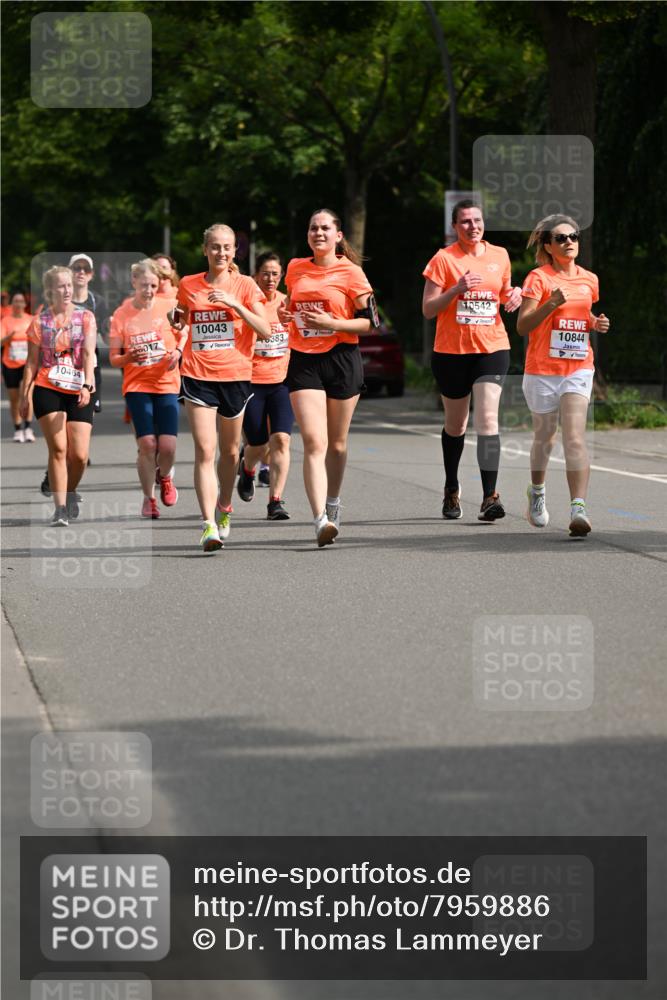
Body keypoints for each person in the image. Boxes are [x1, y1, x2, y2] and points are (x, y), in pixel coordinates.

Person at [279, 208, 377, 546]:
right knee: (314, 442)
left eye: (325, 228)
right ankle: (320, 518)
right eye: (312, 228)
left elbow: (370, 322)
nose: (318, 233)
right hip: (304, 360)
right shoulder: (295, 268)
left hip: (341, 359)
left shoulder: (352, 273)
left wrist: (333, 324)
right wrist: (284, 312)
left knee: (336, 444)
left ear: (338, 236)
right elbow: (291, 305)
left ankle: (333, 503)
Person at [422, 200, 522, 521]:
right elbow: (428, 308)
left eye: (477, 220)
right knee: (457, 425)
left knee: (488, 421)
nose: (473, 226)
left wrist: (515, 295)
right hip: (451, 353)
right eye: (465, 221)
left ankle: (489, 497)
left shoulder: (500, 255)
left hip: (492, 347)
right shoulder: (443, 259)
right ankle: (452, 488)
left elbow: (504, 293)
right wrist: (456, 289)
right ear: (455, 227)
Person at [176, 223, 271, 551]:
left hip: (235, 377)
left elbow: (266, 330)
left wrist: (235, 305)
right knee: (205, 450)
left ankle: (225, 506)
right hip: (197, 375)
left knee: (230, 452)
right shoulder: (188, 284)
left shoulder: (245, 285)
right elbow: (182, 312)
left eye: (226, 247)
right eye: (215, 247)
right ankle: (207, 525)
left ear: (235, 251)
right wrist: (177, 319)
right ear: (205, 250)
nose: (221, 252)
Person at [517, 215, 610, 537]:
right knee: (546, 439)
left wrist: (594, 324)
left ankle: (578, 508)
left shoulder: (589, 279)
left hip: (578, 367)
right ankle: (538, 493)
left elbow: (583, 316)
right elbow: (523, 326)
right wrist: (550, 304)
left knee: (574, 437)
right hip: (542, 369)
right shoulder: (538, 279)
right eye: (561, 238)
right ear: (548, 246)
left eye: (573, 236)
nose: (569, 241)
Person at [19, 266, 96, 525]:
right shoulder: (40, 322)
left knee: (80, 455)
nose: (66, 291)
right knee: (59, 449)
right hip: (47, 387)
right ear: (50, 290)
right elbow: (31, 363)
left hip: (78, 389)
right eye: (60, 286)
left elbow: (87, 355)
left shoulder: (85, 317)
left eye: (69, 286)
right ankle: (60, 507)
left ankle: (70, 491)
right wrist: (23, 395)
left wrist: (87, 385)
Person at [109, 259, 186, 518]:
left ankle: (165, 477)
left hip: (166, 382)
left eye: (153, 285)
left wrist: (178, 350)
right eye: (144, 285)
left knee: (168, 446)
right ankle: (148, 498)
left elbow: (184, 332)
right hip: (137, 384)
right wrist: (129, 357)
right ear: (134, 283)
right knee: (147, 443)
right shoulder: (122, 314)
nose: (149, 290)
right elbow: (113, 358)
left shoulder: (170, 306)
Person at [236, 252, 294, 520]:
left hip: (282, 382)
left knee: (281, 440)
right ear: (256, 275)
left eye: (275, 274)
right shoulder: (247, 303)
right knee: (257, 445)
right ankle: (247, 469)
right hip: (252, 382)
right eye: (265, 274)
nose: (270, 279)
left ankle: (275, 501)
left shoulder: (287, 303)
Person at [1, 291, 35, 441]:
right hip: (10, 364)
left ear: (25, 304)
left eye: (21, 301)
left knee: (26, 395)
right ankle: (17, 429)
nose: (18, 304)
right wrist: (9, 337)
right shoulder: (5, 321)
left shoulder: (31, 320)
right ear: (12, 304)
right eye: (15, 301)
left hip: (27, 365)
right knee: (14, 399)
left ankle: (27, 427)